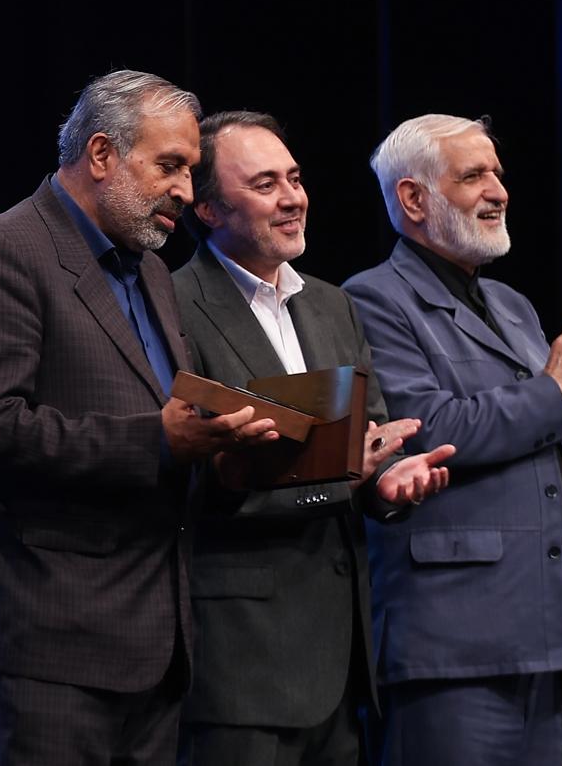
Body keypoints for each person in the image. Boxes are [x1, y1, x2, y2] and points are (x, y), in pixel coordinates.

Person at [0, 69, 283, 766]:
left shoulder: (149, 269)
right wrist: (158, 439)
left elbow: (166, 431)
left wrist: (224, 461)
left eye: (190, 172)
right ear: (101, 154)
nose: (185, 190)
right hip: (46, 644)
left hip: (154, 646)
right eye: (169, 166)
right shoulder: (3, 250)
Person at [344, 115, 562, 766]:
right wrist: (556, 386)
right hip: (449, 641)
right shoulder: (371, 300)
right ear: (413, 198)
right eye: (474, 175)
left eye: (499, 174)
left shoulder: (512, 305)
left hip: (540, 632)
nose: (499, 191)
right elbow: (430, 431)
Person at [172, 111, 453, 766]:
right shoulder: (174, 305)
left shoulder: (331, 304)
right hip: (239, 663)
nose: (292, 197)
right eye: (265, 183)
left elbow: (369, 440)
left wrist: (388, 483)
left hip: (341, 661)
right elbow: (184, 473)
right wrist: (337, 474)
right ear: (208, 209)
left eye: (294, 178)